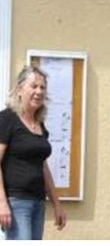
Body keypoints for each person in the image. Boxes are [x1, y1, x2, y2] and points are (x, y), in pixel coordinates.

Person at [0, 65, 67, 240]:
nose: (39, 91)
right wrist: (1, 203)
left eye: (42, 87)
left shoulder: (40, 125)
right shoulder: (7, 119)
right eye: (34, 86)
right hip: (16, 202)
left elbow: (43, 166)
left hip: (38, 202)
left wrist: (57, 203)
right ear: (20, 89)